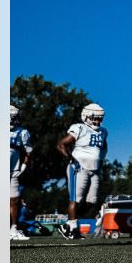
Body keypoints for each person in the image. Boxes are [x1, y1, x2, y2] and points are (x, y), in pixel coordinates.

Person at [56, 103, 108, 240]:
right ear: (86, 117)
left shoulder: (103, 131)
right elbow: (61, 144)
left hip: (95, 170)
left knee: (92, 201)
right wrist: (71, 159)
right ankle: (73, 229)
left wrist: (100, 161)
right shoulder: (79, 128)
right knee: (76, 199)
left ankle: (67, 224)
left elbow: (103, 148)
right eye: (94, 118)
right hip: (79, 168)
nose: (97, 121)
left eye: (99, 118)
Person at [10, 105, 32, 241]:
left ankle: (13, 229)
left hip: (13, 171)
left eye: (13, 118)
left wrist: (24, 165)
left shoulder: (22, 132)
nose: (11, 121)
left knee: (15, 199)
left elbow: (29, 151)